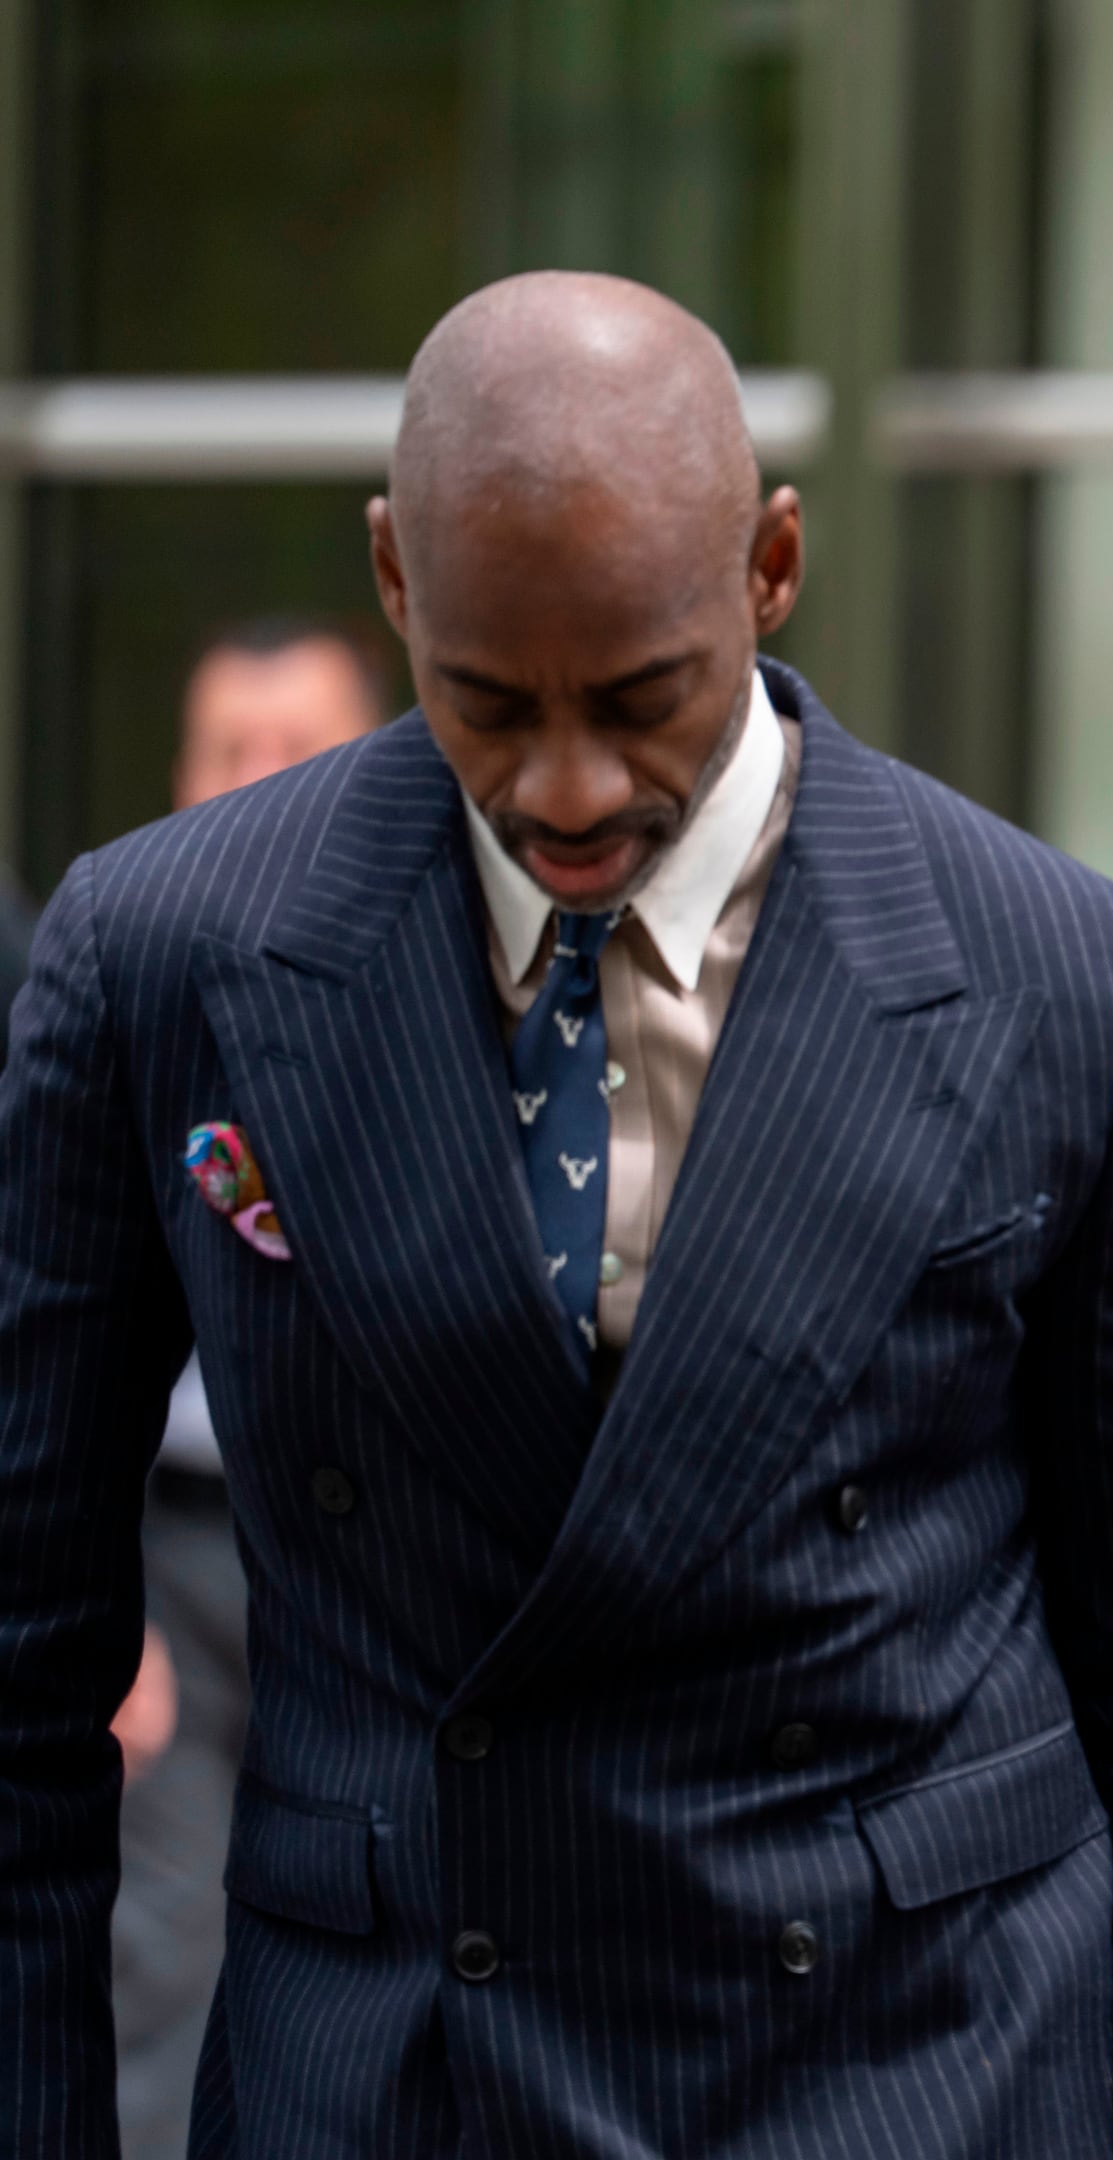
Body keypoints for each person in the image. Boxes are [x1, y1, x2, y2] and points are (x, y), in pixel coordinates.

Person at [0, 272, 1113, 2158]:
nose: (565, 788)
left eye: (641, 700)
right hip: (395, 2088)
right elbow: (25, 1668)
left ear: (774, 564)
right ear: (393, 578)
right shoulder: (161, 957)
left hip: (919, 2072)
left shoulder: (1069, 980)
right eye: (486, 702)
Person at [106, 618, 390, 2160]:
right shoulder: (110, 993)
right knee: (158, 1957)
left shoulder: (467, 988)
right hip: (161, 1549)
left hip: (380, 1570)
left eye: (304, 747)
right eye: (231, 750)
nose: (263, 788)